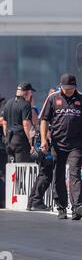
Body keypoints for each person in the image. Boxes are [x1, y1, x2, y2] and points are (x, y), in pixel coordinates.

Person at [40, 74, 82, 220]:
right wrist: (44, 139)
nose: (68, 91)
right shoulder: (53, 98)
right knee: (58, 175)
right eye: (66, 88)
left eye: (71, 88)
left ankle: (77, 207)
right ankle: (61, 206)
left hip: (76, 144)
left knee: (75, 173)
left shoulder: (81, 98)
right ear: (61, 86)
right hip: (57, 143)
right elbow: (44, 120)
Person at [27, 87, 58, 212]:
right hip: (45, 147)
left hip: (41, 145)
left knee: (43, 174)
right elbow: (44, 129)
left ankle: (32, 201)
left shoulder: (44, 109)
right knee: (45, 175)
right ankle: (36, 201)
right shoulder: (49, 109)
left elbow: (35, 130)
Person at [3, 82, 35, 163]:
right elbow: (26, 124)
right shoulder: (25, 104)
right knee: (22, 170)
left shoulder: (8, 103)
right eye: (30, 92)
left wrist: (6, 137)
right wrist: (31, 142)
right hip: (20, 142)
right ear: (27, 92)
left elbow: (4, 123)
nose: (31, 95)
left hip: (9, 141)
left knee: (11, 171)